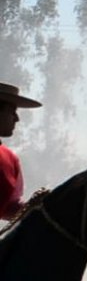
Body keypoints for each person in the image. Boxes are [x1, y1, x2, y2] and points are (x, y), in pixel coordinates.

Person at [0, 81, 42, 219]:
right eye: (12, 111)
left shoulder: (10, 158)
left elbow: (8, 208)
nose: (17, 119)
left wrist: (33, 207)